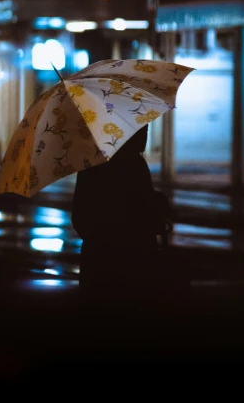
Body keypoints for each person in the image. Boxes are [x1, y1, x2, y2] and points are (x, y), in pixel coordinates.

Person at [72, 124, 171, 307]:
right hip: (134, 265)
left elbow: (80, 217)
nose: (145, 137)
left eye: (146, 131)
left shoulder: (92, 164)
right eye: (142, 131)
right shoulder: (135, 166)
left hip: (98, 265)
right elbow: (145, 215)